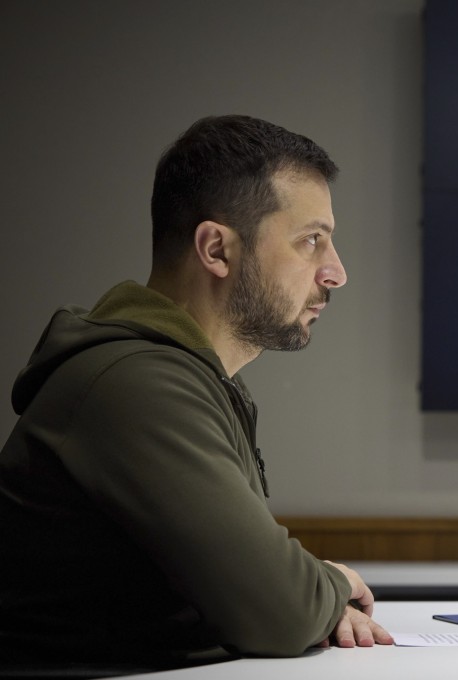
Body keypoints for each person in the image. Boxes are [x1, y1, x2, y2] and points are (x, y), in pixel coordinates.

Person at [0, 115, 393, 668]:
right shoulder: (136, 383)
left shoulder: (186, 378)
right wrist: (331, 585)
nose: (335, 272)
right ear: (216, 249)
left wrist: (311, 597)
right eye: (311, 241)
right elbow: (277, 609)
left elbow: (256, 594)